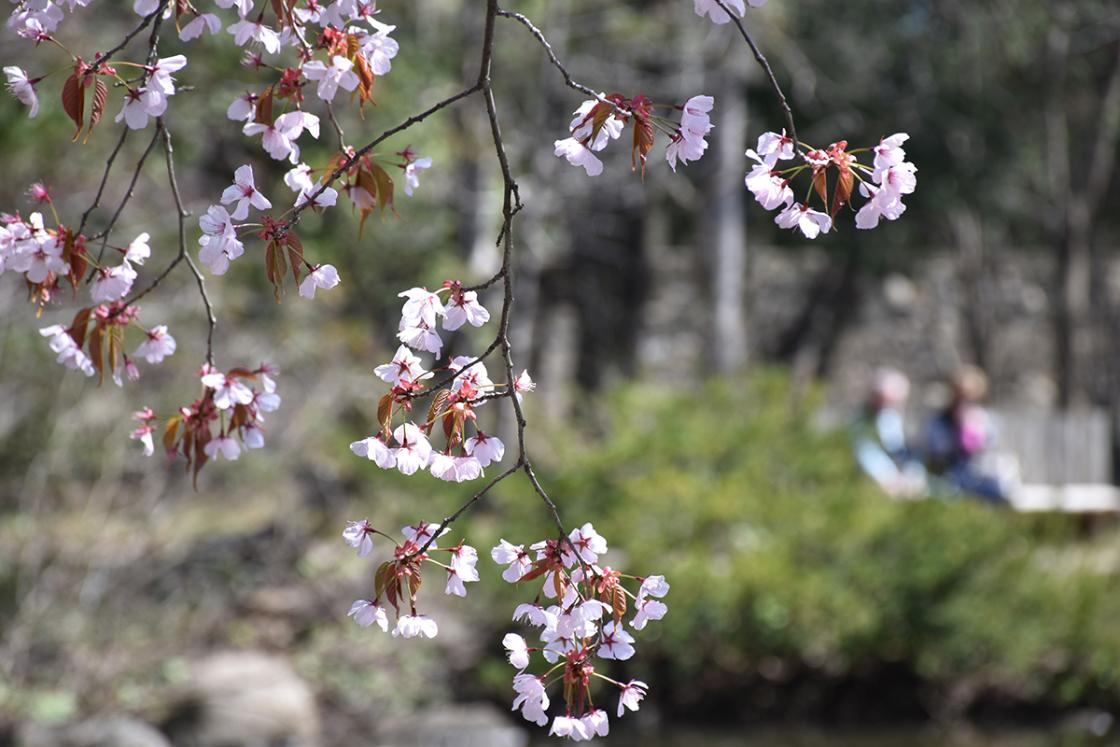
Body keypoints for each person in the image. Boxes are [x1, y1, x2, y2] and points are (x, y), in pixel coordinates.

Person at [924, 365, 1010, 504]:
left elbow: (993, 452)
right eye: (960, 395)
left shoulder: (987, 419)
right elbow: (937, 452)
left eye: (970, 396)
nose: (965, 400)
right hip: (950, 479)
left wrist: (977, 434)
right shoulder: (940, 422)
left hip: (982, 478)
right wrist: (956, 434)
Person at [852, 368, 927, 498]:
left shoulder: (894, 418)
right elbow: (866, 454)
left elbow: (906, 453)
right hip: (879, 483)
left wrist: (911, 476)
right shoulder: (863, 422)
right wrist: (889, 478)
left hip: (901, 478)